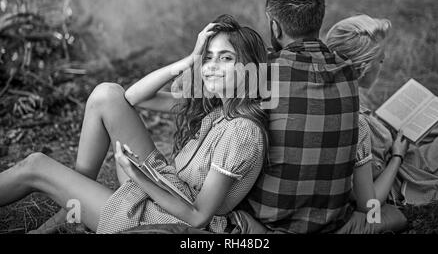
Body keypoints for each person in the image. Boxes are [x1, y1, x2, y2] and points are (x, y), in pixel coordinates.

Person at [0, 14, 269, 234]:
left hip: (165, 219)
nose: (211, 66)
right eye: (208, 57)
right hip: (164, 187)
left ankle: (74, 207)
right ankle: (70, 211)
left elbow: (198, 217)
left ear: (249, 68)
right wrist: (189, 60)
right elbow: (133, 97)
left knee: (35, 165)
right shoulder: (218, 107)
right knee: (107, 95)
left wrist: (140, 177)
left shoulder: (242, 132)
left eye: (226, 58)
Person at [239, 0, 361, 233]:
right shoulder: (348, 70)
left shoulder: (263, 71)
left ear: (275, 26)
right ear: (319, 20)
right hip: (332, 220)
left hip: (268, 219)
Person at [325, 14, 438, 208]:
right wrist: (398, 156)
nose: (384, 62)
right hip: (399, 173)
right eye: (380, 61)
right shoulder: (354, 125)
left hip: (391, 148)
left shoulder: (336, 89)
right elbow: (367, 202)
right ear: (363, 68)